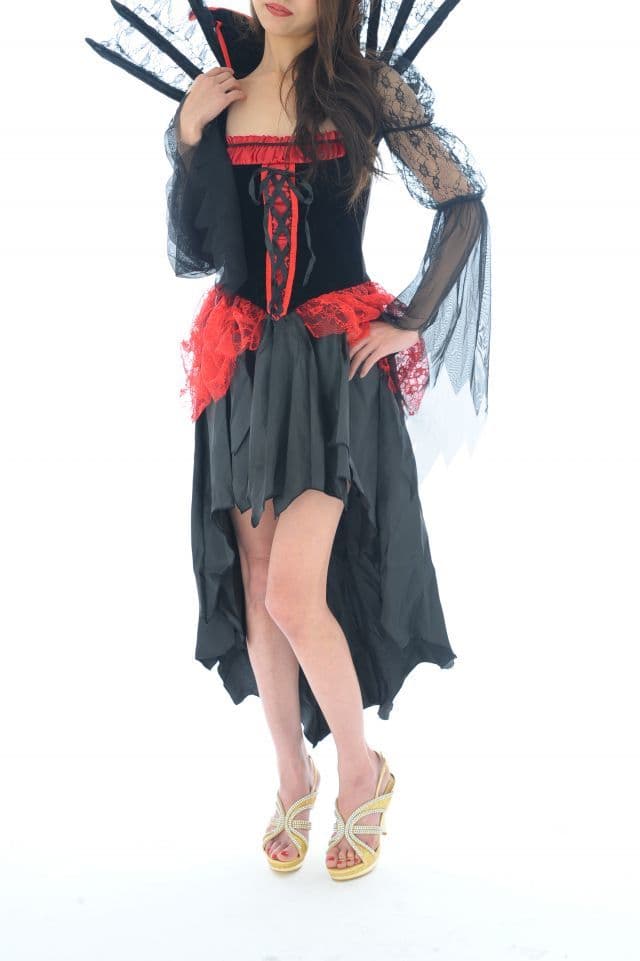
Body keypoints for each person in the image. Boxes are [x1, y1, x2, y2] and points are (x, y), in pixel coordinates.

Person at [86, 0, 491, 881]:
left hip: (331, 364)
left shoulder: (365, 88)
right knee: (260, 581)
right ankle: (290, 775)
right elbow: (196, 248)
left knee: (295, 593)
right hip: (243, 359)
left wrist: (411, 317)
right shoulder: (221, 85)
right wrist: (190, 135)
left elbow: (461, 205)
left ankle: (360, 770)